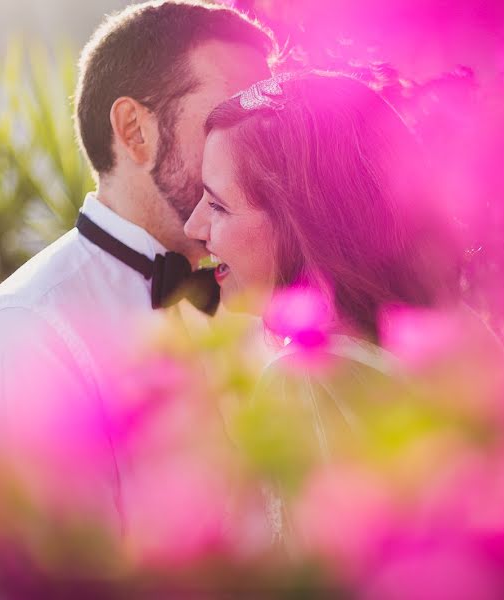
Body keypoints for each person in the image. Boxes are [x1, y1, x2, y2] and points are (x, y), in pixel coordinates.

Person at [0, 0, 274, 541]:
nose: (262, 154)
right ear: (134, 130)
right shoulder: (27, 328)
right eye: (225, 120)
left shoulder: (263, 293)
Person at [184, 72, 464, 543]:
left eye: (218, 206)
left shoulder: (308, 381)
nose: (194, 227)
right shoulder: (450, 338)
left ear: (303, 224)